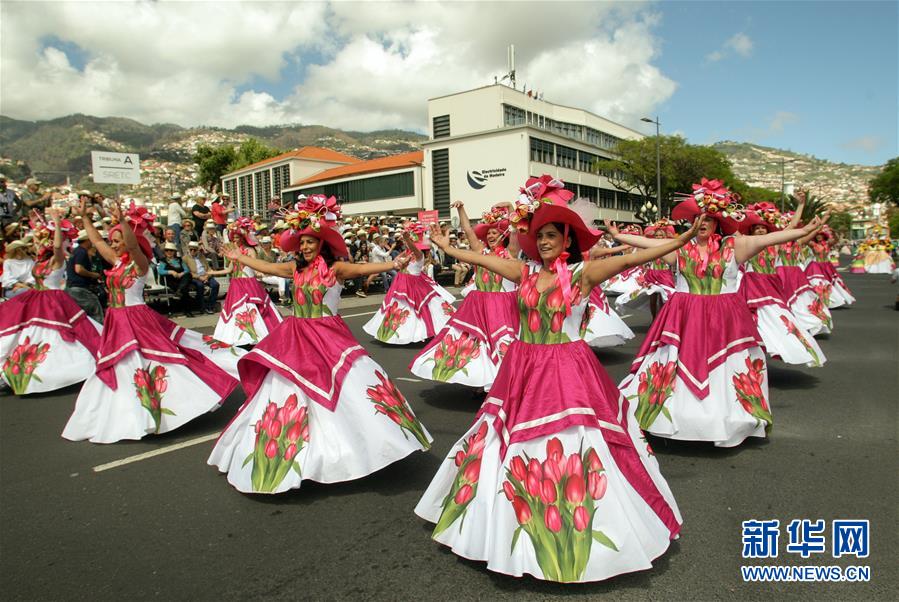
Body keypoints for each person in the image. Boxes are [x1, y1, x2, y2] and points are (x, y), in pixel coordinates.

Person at [415, 175, 691, 583]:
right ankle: (499, 527)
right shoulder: (522, 273)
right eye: (538, 235)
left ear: (567, 239)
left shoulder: (583, 273)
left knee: (579, 441)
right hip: (523, 367)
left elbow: (633, 260)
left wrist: (680, 241)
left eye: (550, 235)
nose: (543, 241)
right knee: (502, 438)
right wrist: (443, 246)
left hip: (568, 369)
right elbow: (478, 260)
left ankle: (583, 526)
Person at [208, 195, 432, 494]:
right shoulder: (294, 269)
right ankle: (293, 455)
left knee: (350, 388)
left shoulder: (336, 269)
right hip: (295, 336)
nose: (304, 247)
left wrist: (394, 262)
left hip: (328, 336)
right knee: (286, 393)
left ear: (322, 245)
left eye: (310, 242)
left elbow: (364, 270)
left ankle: (365, 447)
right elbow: (267, 267)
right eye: (301, 243)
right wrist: (239, 258)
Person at [611, 178, 827, 447]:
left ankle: (725, 420)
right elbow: (645, 244)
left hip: (723, 319)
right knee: (673, 363)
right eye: (698, 218)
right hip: (683, 317)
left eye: (708, 220)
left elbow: (775, 237)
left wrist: (805, 228)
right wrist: (619, 236)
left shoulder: (734, 247)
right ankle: (670, 419)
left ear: (717, 224)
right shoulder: (679, 248)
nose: (702, 223)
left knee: (727, 368)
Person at [62, 200, 246, 444]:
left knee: (144, 363)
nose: (113, 245)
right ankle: (122, 413)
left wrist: (122, 222)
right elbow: (96, 242)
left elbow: (131, 245)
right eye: (113, 241)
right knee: (121, 366)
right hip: (117, 321)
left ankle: (154, 410)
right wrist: (85, 219)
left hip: (135, 319)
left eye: (118, 241)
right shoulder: (117, 264)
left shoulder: (138, 265)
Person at [410, 201, 518, 390]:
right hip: (479, 304)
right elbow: (468, 230)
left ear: (504, 235)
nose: (491, 236)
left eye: (495, 232)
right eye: (489, 233)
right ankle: (482, 381)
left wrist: (511, 210)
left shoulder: (510, 253)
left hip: (503, 305)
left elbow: (515, 229)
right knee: (476, 343)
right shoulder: (480, 251)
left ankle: (504, 384)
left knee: (502, 343)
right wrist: (461, 209)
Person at [738, 203, 827, 367]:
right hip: (752, 284)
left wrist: (801, 204)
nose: (760, 231)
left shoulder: (775, 244)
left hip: (771, 284)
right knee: (752, 317)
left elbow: (792, 225)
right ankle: (755, 348)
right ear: (750, 231)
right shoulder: (746, 243)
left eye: (763, 228)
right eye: (756, 228)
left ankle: (783, 345)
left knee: (777, 315)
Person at [363, 223, 456, 344]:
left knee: (413, 310)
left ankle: (417, 333)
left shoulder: (420, 256)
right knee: (399, 308)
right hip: (400, 283)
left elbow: (414, 249)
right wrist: (405, 243)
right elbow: (395, 260)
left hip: (413, 284)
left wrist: (407, 239)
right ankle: (396, 334)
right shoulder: (406, 254)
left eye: (411, 241)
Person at [213, 217, 283, 345]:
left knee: (252, 306)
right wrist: (212, 273)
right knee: (237, 309)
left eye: (237, 238)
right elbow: (229, 269)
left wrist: (261, 273)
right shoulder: (233, 252)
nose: (235, 240)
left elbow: (255, 265)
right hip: (236, 283)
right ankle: (238, 335)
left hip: (249, 282)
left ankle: (257, 333)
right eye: (233, 238)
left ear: (243, 238)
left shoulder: (250, 250)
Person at [65, 230, 105, 323]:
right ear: (87, 240)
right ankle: (100, 333)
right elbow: (78, 269)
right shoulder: (81, 252)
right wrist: (93, 275)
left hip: (72, 287)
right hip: (79, 288)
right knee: (95, 310)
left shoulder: (76, 251)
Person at [157, 242, 200, 317]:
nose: (169, 252)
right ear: (165, 252)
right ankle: (187, 311)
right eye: (167, 250)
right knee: (185, 290)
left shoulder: (179, 260)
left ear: (174, 252)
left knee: (188, 275)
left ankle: (179, 291)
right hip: (169, 280)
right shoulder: (163, 261)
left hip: (180, 280)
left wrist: (181, 274)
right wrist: (170, 271)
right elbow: (160, 271)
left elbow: (186, 270)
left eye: (171, 250)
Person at [184, 241, 228, 314]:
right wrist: (199, 277)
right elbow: (188, 272)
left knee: (215, 285)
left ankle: (210, 306)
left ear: (197, 250)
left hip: (206, 275)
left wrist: (207, 276)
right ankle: (202, 307)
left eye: (194, 250)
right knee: (200, 286)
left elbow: (208, 267)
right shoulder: (185, 258)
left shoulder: (201, 256)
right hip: (195, 277)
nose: (192, 251)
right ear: (188, 249)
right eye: (191, 249)